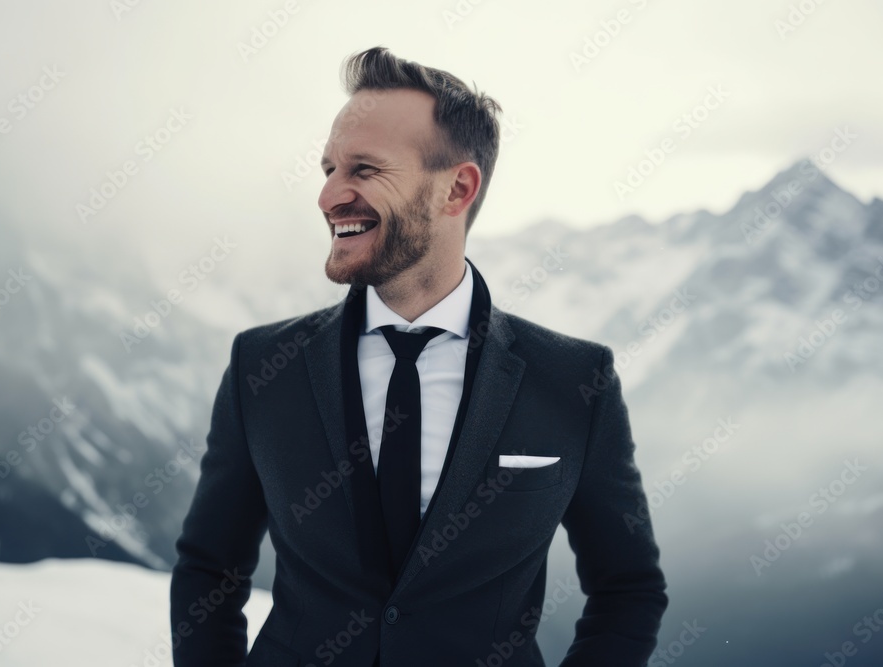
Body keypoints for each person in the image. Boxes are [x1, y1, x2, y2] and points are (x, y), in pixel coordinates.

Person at [171, 46, 667, 666]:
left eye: (364, 169)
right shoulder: (262, 366)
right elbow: (209, 568)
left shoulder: (574, 380)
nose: (328, 195)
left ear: (456, 188)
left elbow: (628, 589)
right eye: (327, 168)